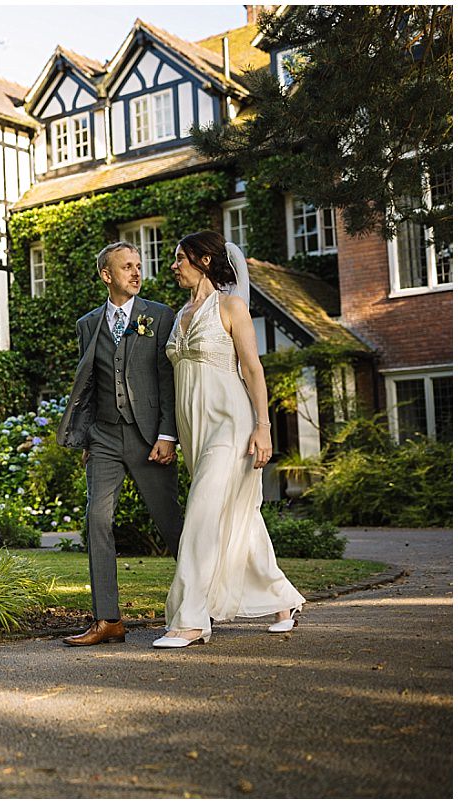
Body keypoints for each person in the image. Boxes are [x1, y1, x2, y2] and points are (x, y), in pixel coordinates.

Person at [155, 231, 306, 649]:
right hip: (194, 429)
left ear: (204, 261)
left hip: (231, 425)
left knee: (202, 513)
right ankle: (282, 599)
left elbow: (254, 370)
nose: (173, 266)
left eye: (180, 258)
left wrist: (264, 426)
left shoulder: (231, 306)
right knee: (241, 516)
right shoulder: (178, 313)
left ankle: (190, 618)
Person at [56, 242, 184, 647]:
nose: (136, 272)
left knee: (172, 524)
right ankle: (107, 620)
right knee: (97, 521)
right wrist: (88, 437)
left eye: (138, 266)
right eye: (126, 267)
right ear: (106, 275)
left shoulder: (160, 316)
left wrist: (168, 434)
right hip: (105, 437)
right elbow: (89, 383)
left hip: (150, 437)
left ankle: (202, 603)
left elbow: (168, 379)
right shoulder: (87, 324)